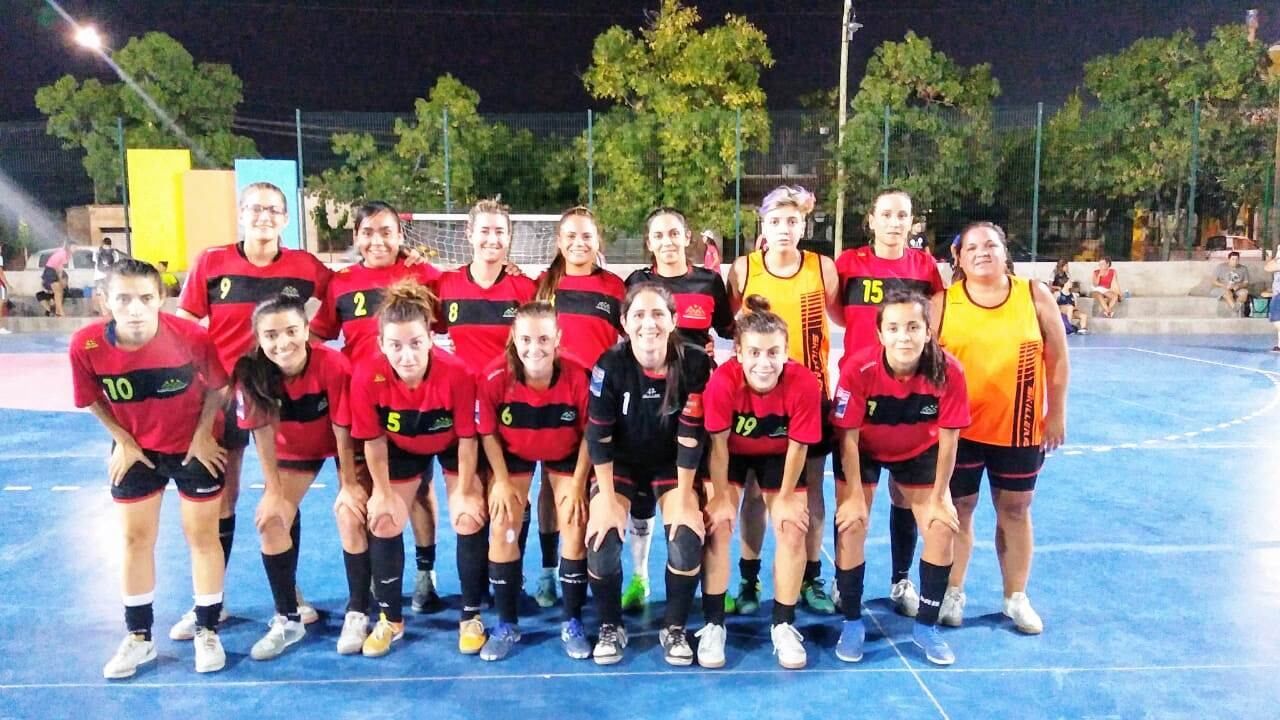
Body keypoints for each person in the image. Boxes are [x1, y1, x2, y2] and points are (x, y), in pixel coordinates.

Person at [175, 181, 333, 639]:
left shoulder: (308, 268)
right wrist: (201, 382)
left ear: (286, 219)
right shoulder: (211, 262)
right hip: (221, 398)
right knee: (224, 496)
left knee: (279, 494)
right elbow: (186, 327)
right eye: (254, 209)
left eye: (272, 210)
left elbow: (324, 315)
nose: (263, 216)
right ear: (241, 214)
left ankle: (291, 595)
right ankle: (211, 601)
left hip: (277, 402)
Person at [70, 259, 229, 678]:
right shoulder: (86, 346)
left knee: (202, 537)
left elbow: (218, 386)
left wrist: (202, 436)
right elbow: (89, 397)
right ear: (106, 302)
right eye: (124, 298)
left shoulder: (193, 337)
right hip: (137, 449)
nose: (135, 308)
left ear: (161, 299)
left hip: (193, 446)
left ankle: (207, 629)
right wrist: (123, 441)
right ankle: (139, 638)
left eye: (145, 298)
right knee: (135, 539)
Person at [934, 222, 1070, 635]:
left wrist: (1056, 413)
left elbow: (1059, 359)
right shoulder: (943, 303)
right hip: (960, 430)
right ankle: (952, 591)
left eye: (990, 244)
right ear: (958, 257)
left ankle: (1015, 596)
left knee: (1015, 510)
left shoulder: (1033, 295)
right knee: (958, 510)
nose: (982, 252)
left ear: (1004, 251)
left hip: (1020, 427)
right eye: (972, 246)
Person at [310, 201, 445, 614]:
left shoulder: (424, 276)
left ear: (400, 236)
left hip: (412, 405)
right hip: (359, 410)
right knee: (359, 494)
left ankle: (425, 575)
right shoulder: (341, 283)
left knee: (420, 491)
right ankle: (371, 581)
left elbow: (457, 307)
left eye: (387, 231)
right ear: (356, 237)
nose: (378, 240)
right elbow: (317, 338)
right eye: (368, 232)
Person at [831, 291, 968, 666]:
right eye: (893, 328)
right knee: (852, 522)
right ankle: (852, 620)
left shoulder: (949, 371)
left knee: (941, 527)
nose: (903, 337)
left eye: (912, 327)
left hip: (917, 451)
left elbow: (949, 438)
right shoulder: (859, 369)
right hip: (863, 450)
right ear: (880, 333)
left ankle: (926, 628)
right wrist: (855, 494)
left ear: (928, 331)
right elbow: (848, 436)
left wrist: (941, 496)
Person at [348, 279, 482, 657]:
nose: (407, 355)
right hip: (402, 447)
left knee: (468, 517)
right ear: (381, 345)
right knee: (384, 518)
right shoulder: (366, 377)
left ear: (431, 338)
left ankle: (470, 616)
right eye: (395, 346)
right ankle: (391, 619)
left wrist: (467, 491)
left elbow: (469, 440)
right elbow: (373, 442)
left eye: (416, 343)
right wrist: (382, 492)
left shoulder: (457, 374)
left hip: (453, 445)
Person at [726, 185, 842, 616]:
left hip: (811, 400)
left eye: (792, 221)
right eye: (775, 222)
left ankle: (812, 577)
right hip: (755, 403)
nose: (784, 230)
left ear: (804, 225)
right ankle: (749, 578)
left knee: (810, 493)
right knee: (754, 493)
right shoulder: (743, 270)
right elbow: (728, 327)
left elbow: (848, 319)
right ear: (763, 226)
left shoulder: (822, 269)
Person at [585, 282, 712, 666]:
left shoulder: (694, 363)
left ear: (673, 320)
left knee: (687, 535)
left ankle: (673, 627)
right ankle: (611, 625)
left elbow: (692, 436)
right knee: (602, 537)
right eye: (638, 315)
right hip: (620, 463)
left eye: (658, 314)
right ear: (624, 322)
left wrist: (687, 501)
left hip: (672, 463)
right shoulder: (609, 366)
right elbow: (598, 436)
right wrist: (606, 501)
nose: (648, 323)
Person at [834, 188, 945, 618]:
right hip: (862, 393)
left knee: (905, 497)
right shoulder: (849, 264)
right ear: (872, 220)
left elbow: (933, 316)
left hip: (911, 395)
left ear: (911, 222)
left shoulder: (925, 268)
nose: (895, 222)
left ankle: (901, 580)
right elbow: (840, 312)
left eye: (903, 215)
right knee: (854, 503)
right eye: (887, 214)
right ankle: (849, 590)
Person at [621, 207, 733, 612]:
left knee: (696, 492)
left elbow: (729, 331)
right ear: (649, 243)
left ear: (688, 237)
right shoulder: (638, 282)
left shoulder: (708, 282)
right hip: (647, 402)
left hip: (696, 397)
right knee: (641, 498)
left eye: (674, 233)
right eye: (659, 236)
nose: (667, 241)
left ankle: (709, 586)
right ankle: (639, 577)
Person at [232, 297, 356, 660]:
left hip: (342, 444)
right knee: (270, 521)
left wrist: (348, 483)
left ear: (306, 330)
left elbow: (343, 427)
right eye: (271, 334)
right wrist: (273, 490)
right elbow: (263, 432)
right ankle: (289, 617)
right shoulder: (252, 372)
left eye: (291, 331)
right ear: (258, 337)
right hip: (295, 452)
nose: (282, 342)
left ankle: (360, 609)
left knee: (353, 513)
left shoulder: (332, 363)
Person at [702, 296, 822, 669]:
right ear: (737, 352)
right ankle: (713, 624)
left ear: (786, 352)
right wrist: (721, 497)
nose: (764, 362)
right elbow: (719, 446)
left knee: (790, 528)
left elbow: (800, 444)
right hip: (732, 455)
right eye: (754, 352)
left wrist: (786, 496)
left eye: (773, 353)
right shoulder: (722, 382)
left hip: (779, 454)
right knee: (718, 525)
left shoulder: (803, 382)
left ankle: (783, 625)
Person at [476, 302, 592, 660]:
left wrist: (576, 483)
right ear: (514, 337)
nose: (534, 347)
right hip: (514, 451)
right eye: (525, 338)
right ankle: (506, 624)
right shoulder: (495, 377)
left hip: (567, 449)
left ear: (557, 338)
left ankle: (571, 621)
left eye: (544, 338)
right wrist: (500, 481)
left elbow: (591, 433)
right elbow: (488, 432)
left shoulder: (578, 375)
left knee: (574, 521)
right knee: (503, 525)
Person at [531, 206, 625, 608]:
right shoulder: (542, 287)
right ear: (558, 241)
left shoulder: (614, 288)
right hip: (549, 405)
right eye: (570, 236)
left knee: (587, 490)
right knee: (551, 492)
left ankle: (588, 568)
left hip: (598, 407)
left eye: (587, 236)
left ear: (598, 241)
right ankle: (550, 571)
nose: (579, 243)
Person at [1212, 251, 1251, 316]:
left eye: (1237, 259)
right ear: (1229, 259)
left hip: (1237, 288)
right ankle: (1236, 310)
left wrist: (1239, 286)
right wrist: (1225, 286)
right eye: (1233, 259)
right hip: (1223, 288)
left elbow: (1246, 283)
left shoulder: (1243, 268)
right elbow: (1214, 281)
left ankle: (1236, 308)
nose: (1235, 261)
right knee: (1228, 293)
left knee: (1245, 293)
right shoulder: (1221, 267)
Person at [43, 239, 72, 317]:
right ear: (69, 246)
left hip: (52, 270)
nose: (75, 249)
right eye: (74, 247)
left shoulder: (66, 253)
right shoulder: (64, 253)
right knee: (58, 291)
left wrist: (60, 278)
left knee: (60, 291)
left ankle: (58, 311)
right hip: (50, 270)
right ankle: (60, 312)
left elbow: (60, 266)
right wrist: (59, 278)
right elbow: (59, 267)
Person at [93, 238, 118, 316]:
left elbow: (95, 261)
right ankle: (110, 312)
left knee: (100, 294)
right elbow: (116, 264)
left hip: (98, 275)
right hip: (109, 275)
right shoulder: (114, 252)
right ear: (111, 244)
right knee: (109, 293)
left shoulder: (97, 251)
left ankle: (104, 312)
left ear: (103, 243)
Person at [1266, 249, 1280, 352]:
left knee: (1277, 322)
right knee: (1277, 320)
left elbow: (1268, 268)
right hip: (1277, 292)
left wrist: (1274, 258)